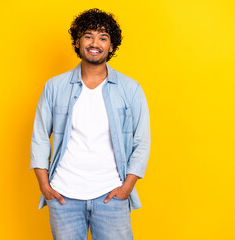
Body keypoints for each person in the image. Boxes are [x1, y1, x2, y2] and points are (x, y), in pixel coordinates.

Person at [30, 8, 150, 240]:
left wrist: (127, 187)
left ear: (111, 46)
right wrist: (45, 186)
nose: (95, 43)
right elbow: (40, 136)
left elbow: (142, 142)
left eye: (103, 38)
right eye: (88, 36)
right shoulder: (54, 87)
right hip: (63, 196)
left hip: (112, 196)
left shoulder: (130, 89)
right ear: (78, 41)